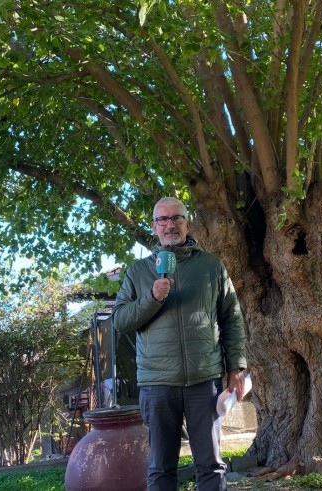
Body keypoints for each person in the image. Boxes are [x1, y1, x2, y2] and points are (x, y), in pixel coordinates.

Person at [112, 197, 248, 491]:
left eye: (177, 218)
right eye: (163, 219)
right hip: (157, 383)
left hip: (204, 380)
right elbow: (120, 321)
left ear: (187, 223)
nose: (170, 224)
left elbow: (232, 319)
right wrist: (152, 298)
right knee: (161, 468)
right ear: (154, 226)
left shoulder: (211, 266)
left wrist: (236, 367)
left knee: (211, 465)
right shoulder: (138, 271)